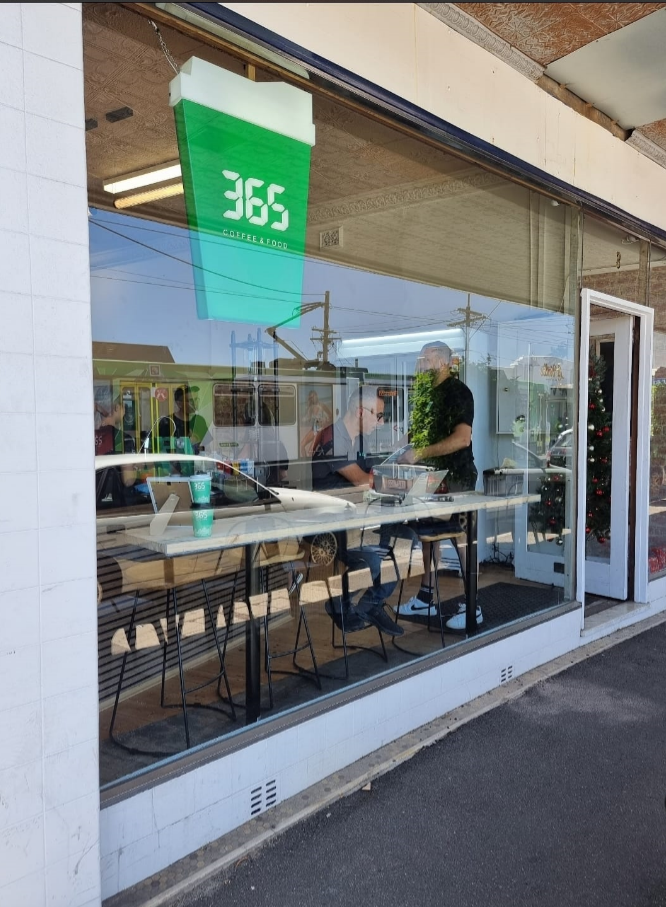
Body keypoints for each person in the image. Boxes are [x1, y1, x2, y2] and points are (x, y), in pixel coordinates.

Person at [396, 341, 480, 631]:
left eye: (427, 359)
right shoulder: (426, 395)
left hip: (456, 476)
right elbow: (417, 436)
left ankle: (473, 606)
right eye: (421, 360)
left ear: (444, 362)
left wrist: (419, 452)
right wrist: (398, 451)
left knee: (460, 538)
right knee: (427, 535)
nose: (421, 365)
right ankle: (425, 598)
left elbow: (462, 439)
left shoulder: (459, 393)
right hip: (430, 476)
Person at [311, 388, 403, 637]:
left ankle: (371, 604)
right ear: (361, 411)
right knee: (372, 562)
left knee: (407, 543)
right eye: (378, 415)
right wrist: (395, 480)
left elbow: (374, 474)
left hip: (357, 524)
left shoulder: (360, 439)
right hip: (329, 529)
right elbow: (363, 481)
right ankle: (339, 603)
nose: (381, 422)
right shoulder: (332, 438)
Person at [159, 386, 208, 454]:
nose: (195, 404)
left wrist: (197, 443)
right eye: (191, 401)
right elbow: (162, 449)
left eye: (196, 399)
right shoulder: (167, 422)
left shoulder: (200, 420)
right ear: (179, 404)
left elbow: (208, 447)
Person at [300, 390, 333, 458]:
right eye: (311, 397)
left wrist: (325, 422)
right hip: (314, 428)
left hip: (320, 429)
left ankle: (311, 462)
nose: (313, 398)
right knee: (302, 445)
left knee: (310, 451)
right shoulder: (310, 408)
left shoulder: (322, 405)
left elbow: (331, 416)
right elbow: (306, 419)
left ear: (316, 396)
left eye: (314, 396)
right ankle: (305, 461)